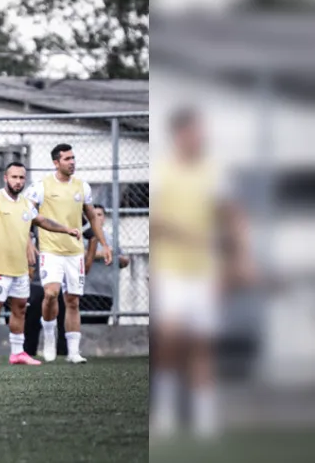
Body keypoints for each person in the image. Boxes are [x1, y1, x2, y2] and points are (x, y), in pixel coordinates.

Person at [151, 108, 252, 438]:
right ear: (179, 135)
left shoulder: (214, 172)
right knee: (171, 338)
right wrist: (195, 237)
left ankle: (205, 419)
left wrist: (239, 259)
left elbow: (232, 217)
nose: (199, 138)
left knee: (202, 343)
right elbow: (157, 223)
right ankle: (165, 413)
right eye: (193, 132)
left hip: (206, 271)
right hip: (171, 270)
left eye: (201, 132)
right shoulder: (162, 171)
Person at [0, 162, 81, 366]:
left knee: (20, 309)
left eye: (21, 178)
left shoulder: (26, 204)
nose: (18, 181)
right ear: (6, 178)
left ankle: (17, 353)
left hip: (19, 269)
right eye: (14, 177)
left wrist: (67, 230)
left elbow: (43, 221)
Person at [24, 143, 112, 364]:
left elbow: (92, 217)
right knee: (51, 293)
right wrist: (27, 242)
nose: (72, 162)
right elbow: (25, 214)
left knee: (72, 300)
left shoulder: (83, 187)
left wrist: (105, 244)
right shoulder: (41, 187)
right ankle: (50, 337)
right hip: (50, 251)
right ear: (56, 162)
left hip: (74, 252)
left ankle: (73, 351)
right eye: (67, 159)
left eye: (73, 158)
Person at [82, 204, 130, 324]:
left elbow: (123, 259)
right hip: (87, 291)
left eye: (100, 215)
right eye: (93, 215)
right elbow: (80, 254)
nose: (97, 218)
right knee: (85, 325)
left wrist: (119, 259)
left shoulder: (110, 238)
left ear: (104, 218)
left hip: (106, 292)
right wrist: (102, 254)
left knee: (101, 323)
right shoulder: (83, 235)